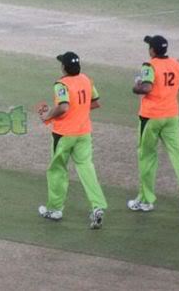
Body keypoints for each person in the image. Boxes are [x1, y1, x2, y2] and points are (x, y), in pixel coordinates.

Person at [128, 35, 179, 219]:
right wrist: (170, 90)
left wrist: (136, 86)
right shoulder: (176, 63)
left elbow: (147, 88)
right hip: (172, 117)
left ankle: (145, 200)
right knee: (177, 156)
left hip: (151, 117)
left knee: (147, 157)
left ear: (152, 50)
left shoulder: (149, 66)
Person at [37, 52, 108, 229]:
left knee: (57, 170)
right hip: (84, 133)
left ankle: (55, 209)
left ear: (64, 67)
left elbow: (63, 107)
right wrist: (80, 112)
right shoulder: (86, 80)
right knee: (87, 169)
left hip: (64, 135)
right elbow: (95, 102)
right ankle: (97, 206)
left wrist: (48, 116)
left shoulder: (61, 84)